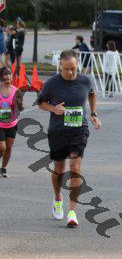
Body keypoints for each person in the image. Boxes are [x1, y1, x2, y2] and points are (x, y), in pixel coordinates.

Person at [37, 50, 101, 227]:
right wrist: (53, 109)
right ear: (60, 66)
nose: (71, 72)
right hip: (58, 131)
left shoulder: (85, 80)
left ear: (77, 65)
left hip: (79, 130)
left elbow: (92, 94)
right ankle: (58, 197)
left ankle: (72, 212)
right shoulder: (52, 83)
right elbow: (41, 102)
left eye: (73, 68)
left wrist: (94, 114)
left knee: (75, 166)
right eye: (67, 69)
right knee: (59, 168)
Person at [0, 66, 24, 177]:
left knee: (9, 147)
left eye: (9, 74)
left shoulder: (16, 91)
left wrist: (18, 105)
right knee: (2, 147)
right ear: (1, 77)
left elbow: (20, 108)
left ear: (12, 76)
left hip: (12, 123)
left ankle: (3, 168)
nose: (7, 76)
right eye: (5, 74)